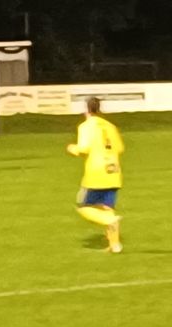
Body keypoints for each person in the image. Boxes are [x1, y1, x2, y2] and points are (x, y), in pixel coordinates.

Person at [66, 97, 125, 254]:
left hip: (96, 172)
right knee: (106, 207)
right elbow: (119, 148)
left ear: (87, 110)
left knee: (82, 206)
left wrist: (73, 148)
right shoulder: (110, 126)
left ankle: (110, 221)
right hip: (113, 171)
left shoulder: (86, 126)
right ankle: (115, 245)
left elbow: (84, 148)